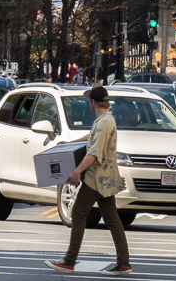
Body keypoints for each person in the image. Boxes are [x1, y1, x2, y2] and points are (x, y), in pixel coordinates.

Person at [45, 86, 132, 276]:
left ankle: (69, 261)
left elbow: (94, 152)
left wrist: (77, 171)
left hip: (97, 179)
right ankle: (123, 262)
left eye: (89, 101)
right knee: (112, 219)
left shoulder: (103, 123)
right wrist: (69, 143)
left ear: (93, 102)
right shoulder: (104, 121)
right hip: (105, 178)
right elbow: (90, 139)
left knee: (78, 213)